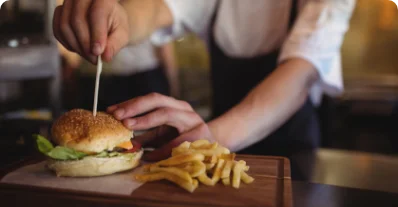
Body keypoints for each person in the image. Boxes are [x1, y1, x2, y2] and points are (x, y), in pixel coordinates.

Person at [53, 0, 356, 180]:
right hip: (215, 161)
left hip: (291, 164)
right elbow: (159, 8)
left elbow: (299, 76)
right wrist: (119, 17)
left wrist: (212, 138)